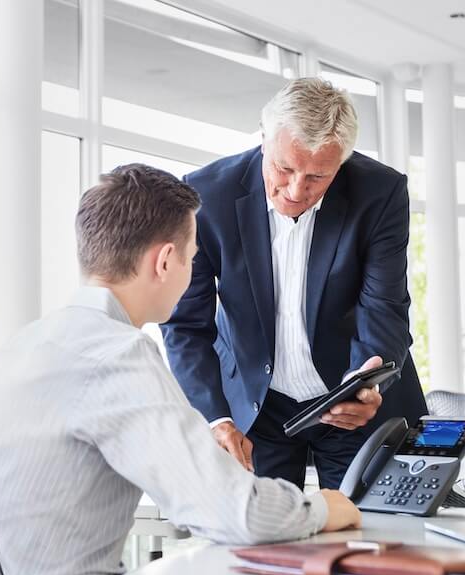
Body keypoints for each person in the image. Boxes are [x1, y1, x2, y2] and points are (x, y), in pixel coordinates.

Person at [0, 164, 422, 575]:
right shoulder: (114, 354)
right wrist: (330, 508)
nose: (192, 273)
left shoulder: (30, 344)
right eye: (190, 257)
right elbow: (233, 513)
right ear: (165, 261)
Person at [162, 77, 427, 491]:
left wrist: (366, 384)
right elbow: (186, 325)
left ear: (341, 163)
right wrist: (215, 417)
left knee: (377, 539)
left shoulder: (381, 193)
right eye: (283, 168)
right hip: (257, 409)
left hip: (354, 405)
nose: (296, 190)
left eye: (318, 177)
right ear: (264, 141)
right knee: (265, 542)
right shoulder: (205, 196)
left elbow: (384, 307)